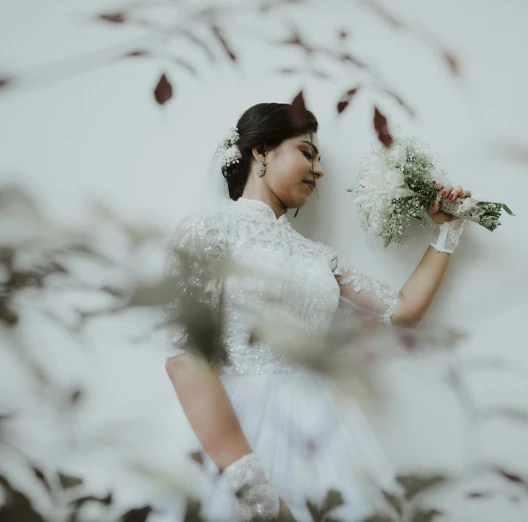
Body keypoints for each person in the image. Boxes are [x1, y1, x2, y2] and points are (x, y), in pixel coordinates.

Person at [164, 102, 470, 521]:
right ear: (261, 152)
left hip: (326, 438)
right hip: (240, 434)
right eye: (307, 152)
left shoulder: (319, 258)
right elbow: (185, 361)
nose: (319, 169)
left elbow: (403, 310)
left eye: (320, 158)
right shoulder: (209, 231)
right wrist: (253, 490)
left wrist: (448, 231)